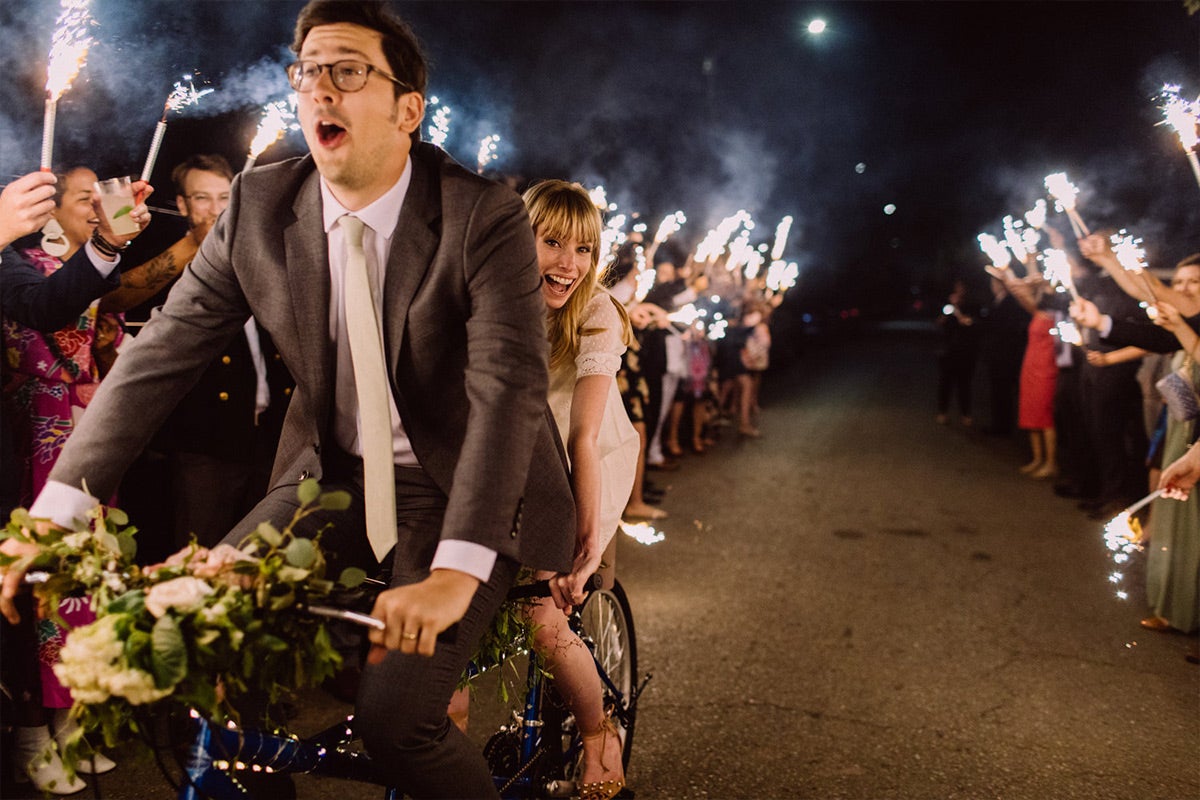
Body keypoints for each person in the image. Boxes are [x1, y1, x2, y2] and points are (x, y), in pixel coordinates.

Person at [2, 3, 574, 797]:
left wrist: (454, 571)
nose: (320, 91)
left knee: (397, 721)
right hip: (331, 477)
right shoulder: (261, 204)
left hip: (460, 487)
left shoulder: (483, 216)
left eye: (348, 71)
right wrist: (51, 518)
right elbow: (156, 361)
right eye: (307, 72)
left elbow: (507, 391)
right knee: (188, 646)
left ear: (408, 109)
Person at [0, 169, 151, 793]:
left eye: (101, 196)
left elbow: (78, 317)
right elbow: (44, 308)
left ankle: (73, 724)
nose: (96, 206)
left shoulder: (80, 265)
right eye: (84, 198)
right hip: (34, 438)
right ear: (47, 206)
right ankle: (32, 733)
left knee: (86, 588)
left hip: (83, 441)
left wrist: (111, 246)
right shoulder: (17, 255)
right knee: (38, 590)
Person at [521, 180, 638, 800]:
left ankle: (600, 736)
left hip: (584, 461)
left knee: (545, 615)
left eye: (585, 250)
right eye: (552, 243)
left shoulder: (596, 313)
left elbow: (583, 438)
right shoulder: (491, 299)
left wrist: (586, 543)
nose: (569, 263)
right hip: (520, 461)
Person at [935, 279, 980, 426]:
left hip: (965, 352)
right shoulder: (946, 305)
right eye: (956, 288)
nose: (958, 291)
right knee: (945, 383)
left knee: (964, 384)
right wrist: (946, 314)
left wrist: (958, 312)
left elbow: (970, 323)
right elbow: (940, 323)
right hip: (948, 351)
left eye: (961, 288)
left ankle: (966, 414)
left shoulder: (971, 306)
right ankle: (943, 412)